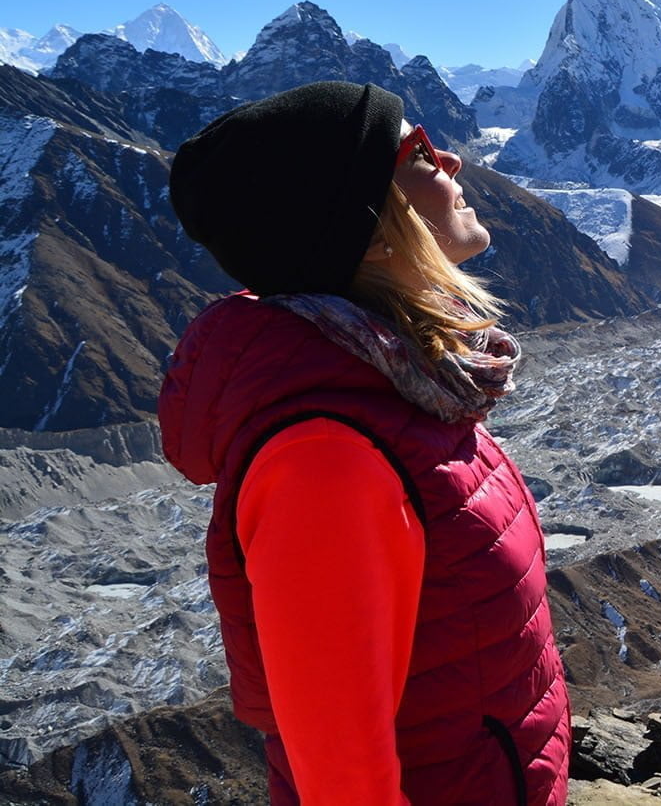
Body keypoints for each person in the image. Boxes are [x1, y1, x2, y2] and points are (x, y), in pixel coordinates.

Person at [158, 81, 570, 804]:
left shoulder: (403, 385)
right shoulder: (326, 459)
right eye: (415, 149)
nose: (452, 159)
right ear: (372, 229)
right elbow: (345, 784)